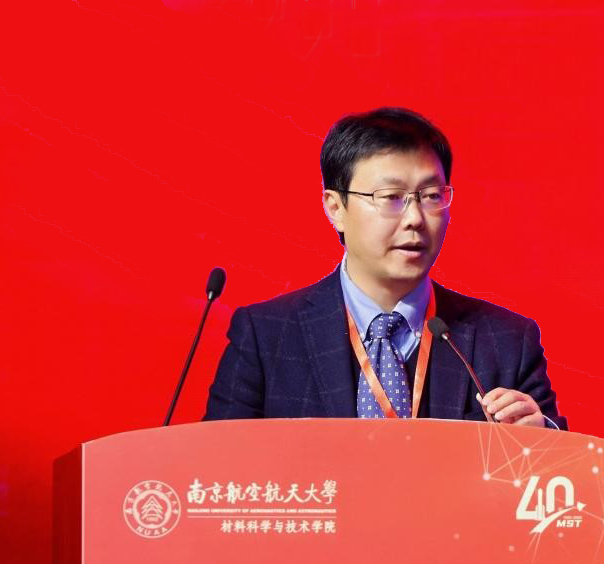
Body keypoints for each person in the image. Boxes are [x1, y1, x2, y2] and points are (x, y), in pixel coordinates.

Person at [204, 107, 565, 429]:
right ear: (335, 208)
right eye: (391, 197)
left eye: (431, 196)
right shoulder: (266, 336)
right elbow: (215, 467)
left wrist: (541, 441)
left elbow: (565, 471)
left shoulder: (506, 341)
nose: (415, 218)